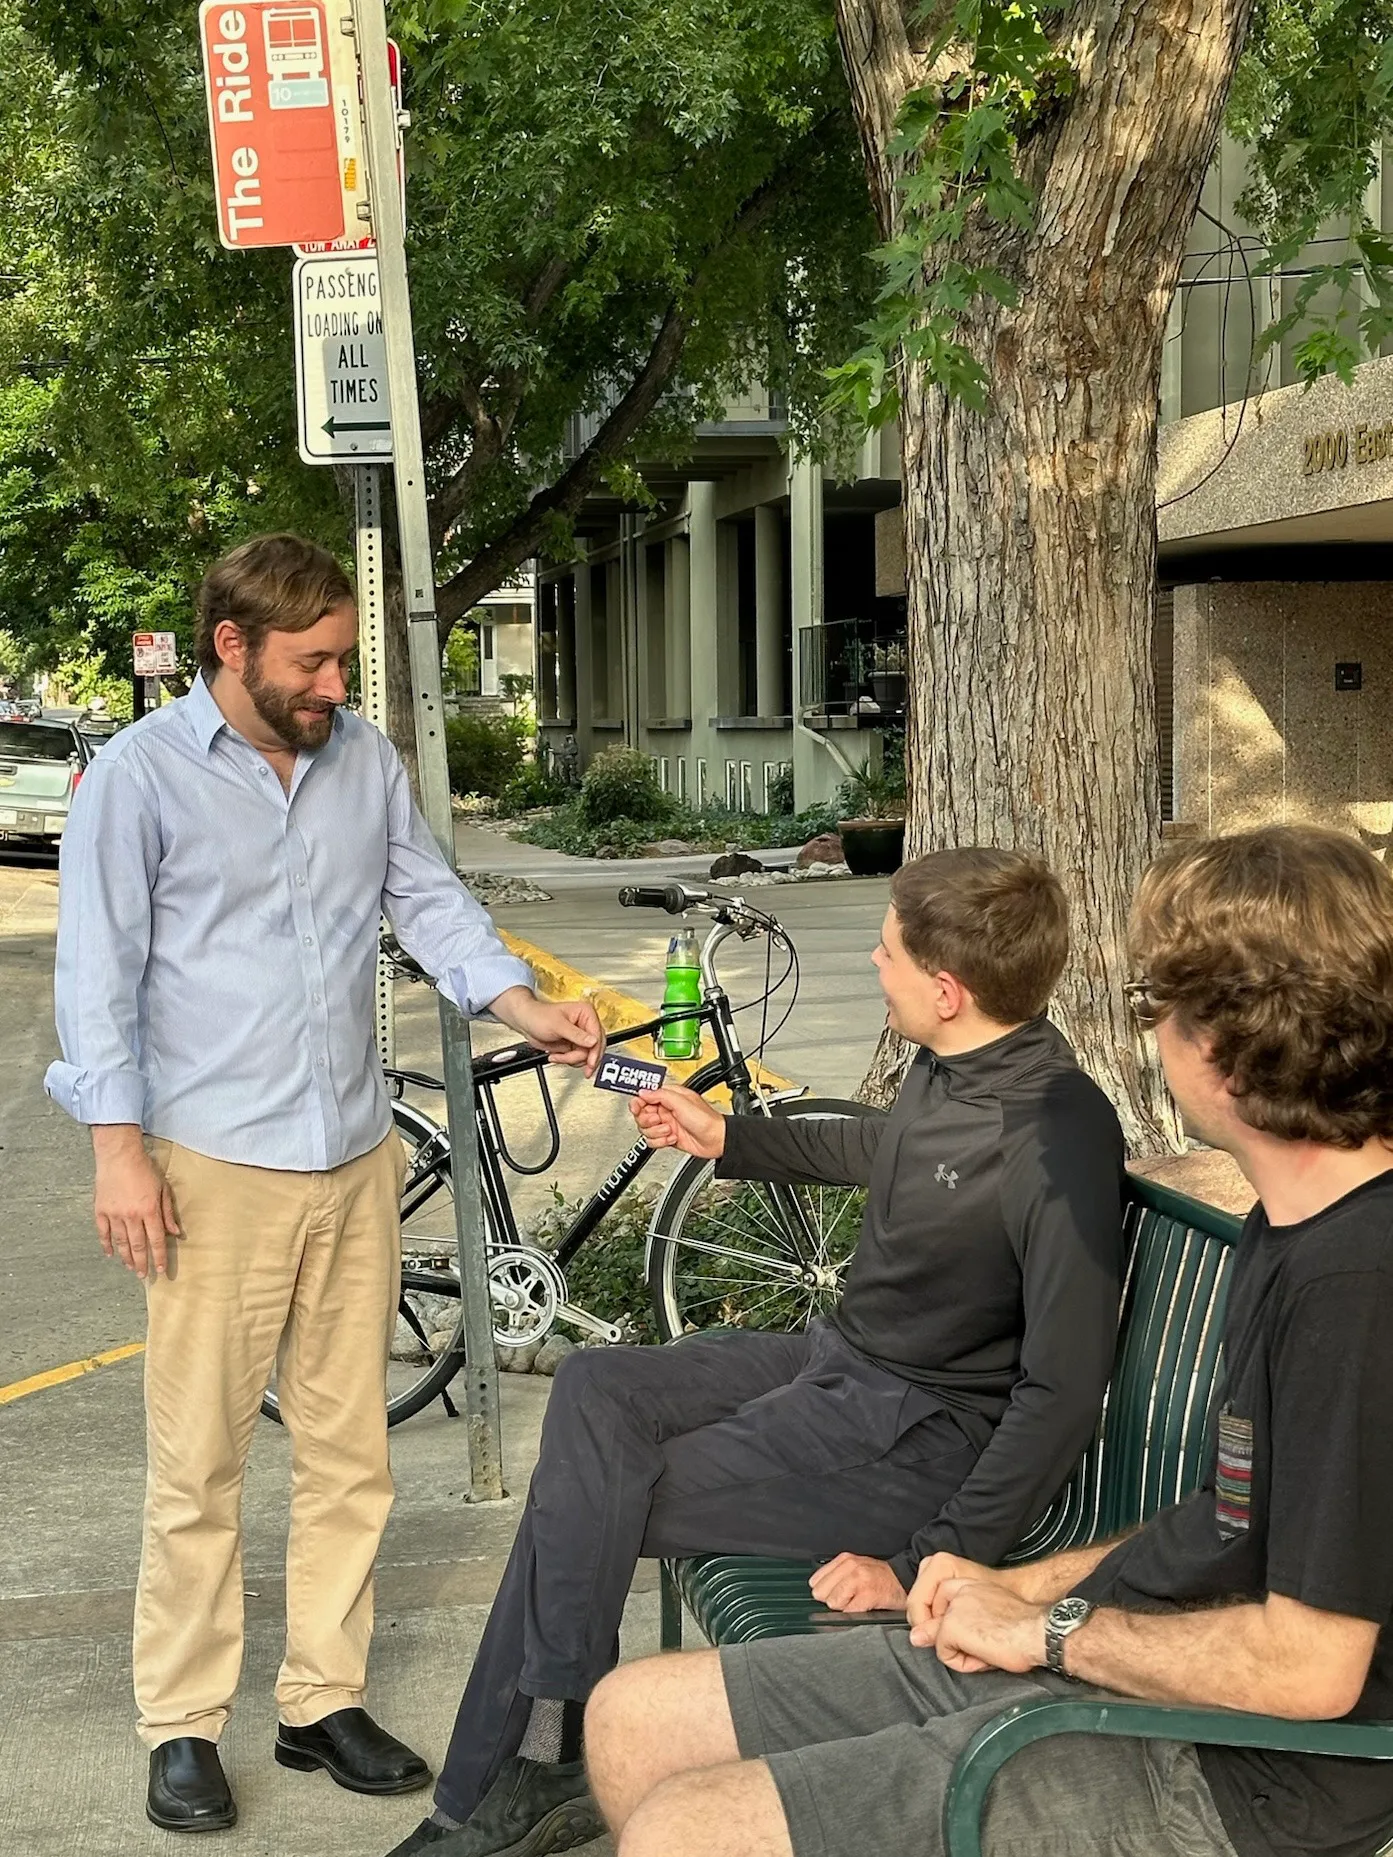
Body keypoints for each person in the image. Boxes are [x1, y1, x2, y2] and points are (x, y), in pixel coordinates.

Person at [586, 822, 1393, 1857]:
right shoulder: (1293, 1226)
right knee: (632, 1719)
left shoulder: (1355, 1284)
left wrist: (1044, 1631)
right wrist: (1017, 1584)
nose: (1147, 1032)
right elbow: (1229, 1518)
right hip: (1129, 1651)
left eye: (1153, 1002)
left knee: (684, 1830)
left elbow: (1309, 1669)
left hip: (1234, 1770)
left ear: (1228, 1043)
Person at [388, 847, 1127, 1857]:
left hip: (913, 1436)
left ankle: (515, 1777)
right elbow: (890, 1151)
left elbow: (1064, 1386)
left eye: (889, 952)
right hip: (838, 1367)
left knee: (589, 1498)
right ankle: (548, 1748)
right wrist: (726, 1135)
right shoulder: (957, 1064)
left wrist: (925, 1560)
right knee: (597, 1390)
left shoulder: (1055, 1131)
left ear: (947, 990)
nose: (873, 963)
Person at [44, 534, 603, 1835]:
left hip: (351, 1155)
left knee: (353, 1456)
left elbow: (431, 903)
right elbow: (99, 977)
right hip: (211, 1164)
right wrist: (117, 1149)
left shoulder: (363, 762)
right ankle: (183, 1723)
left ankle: (320, 1699)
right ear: (230, 647)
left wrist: (523, 1001)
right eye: (312, 662)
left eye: (344, 659)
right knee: (201, 1464)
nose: (336, 686)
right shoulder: (138, 779)